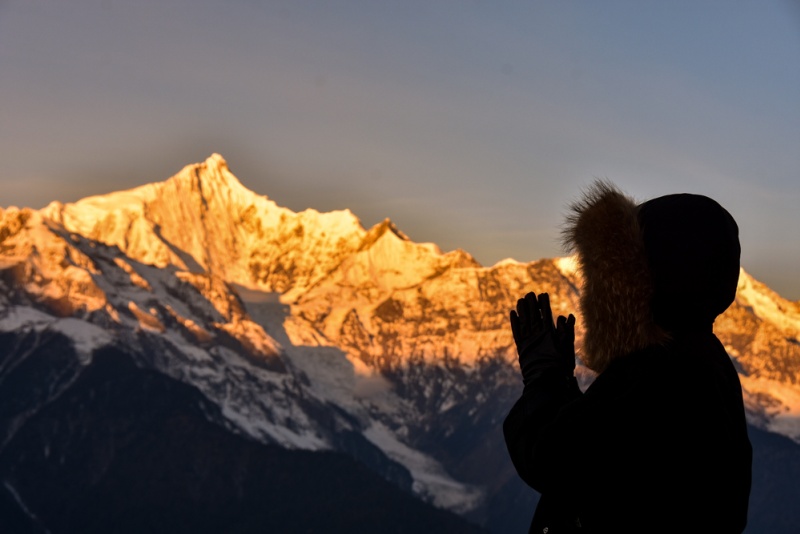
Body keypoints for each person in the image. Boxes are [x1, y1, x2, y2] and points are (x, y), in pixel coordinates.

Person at [503, 181, 752, 533]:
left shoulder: (659, 371)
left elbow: (557, 461)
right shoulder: (703, 363)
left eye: (609, 275)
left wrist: (544, 378)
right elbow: (610, 458)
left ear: (638, 282)